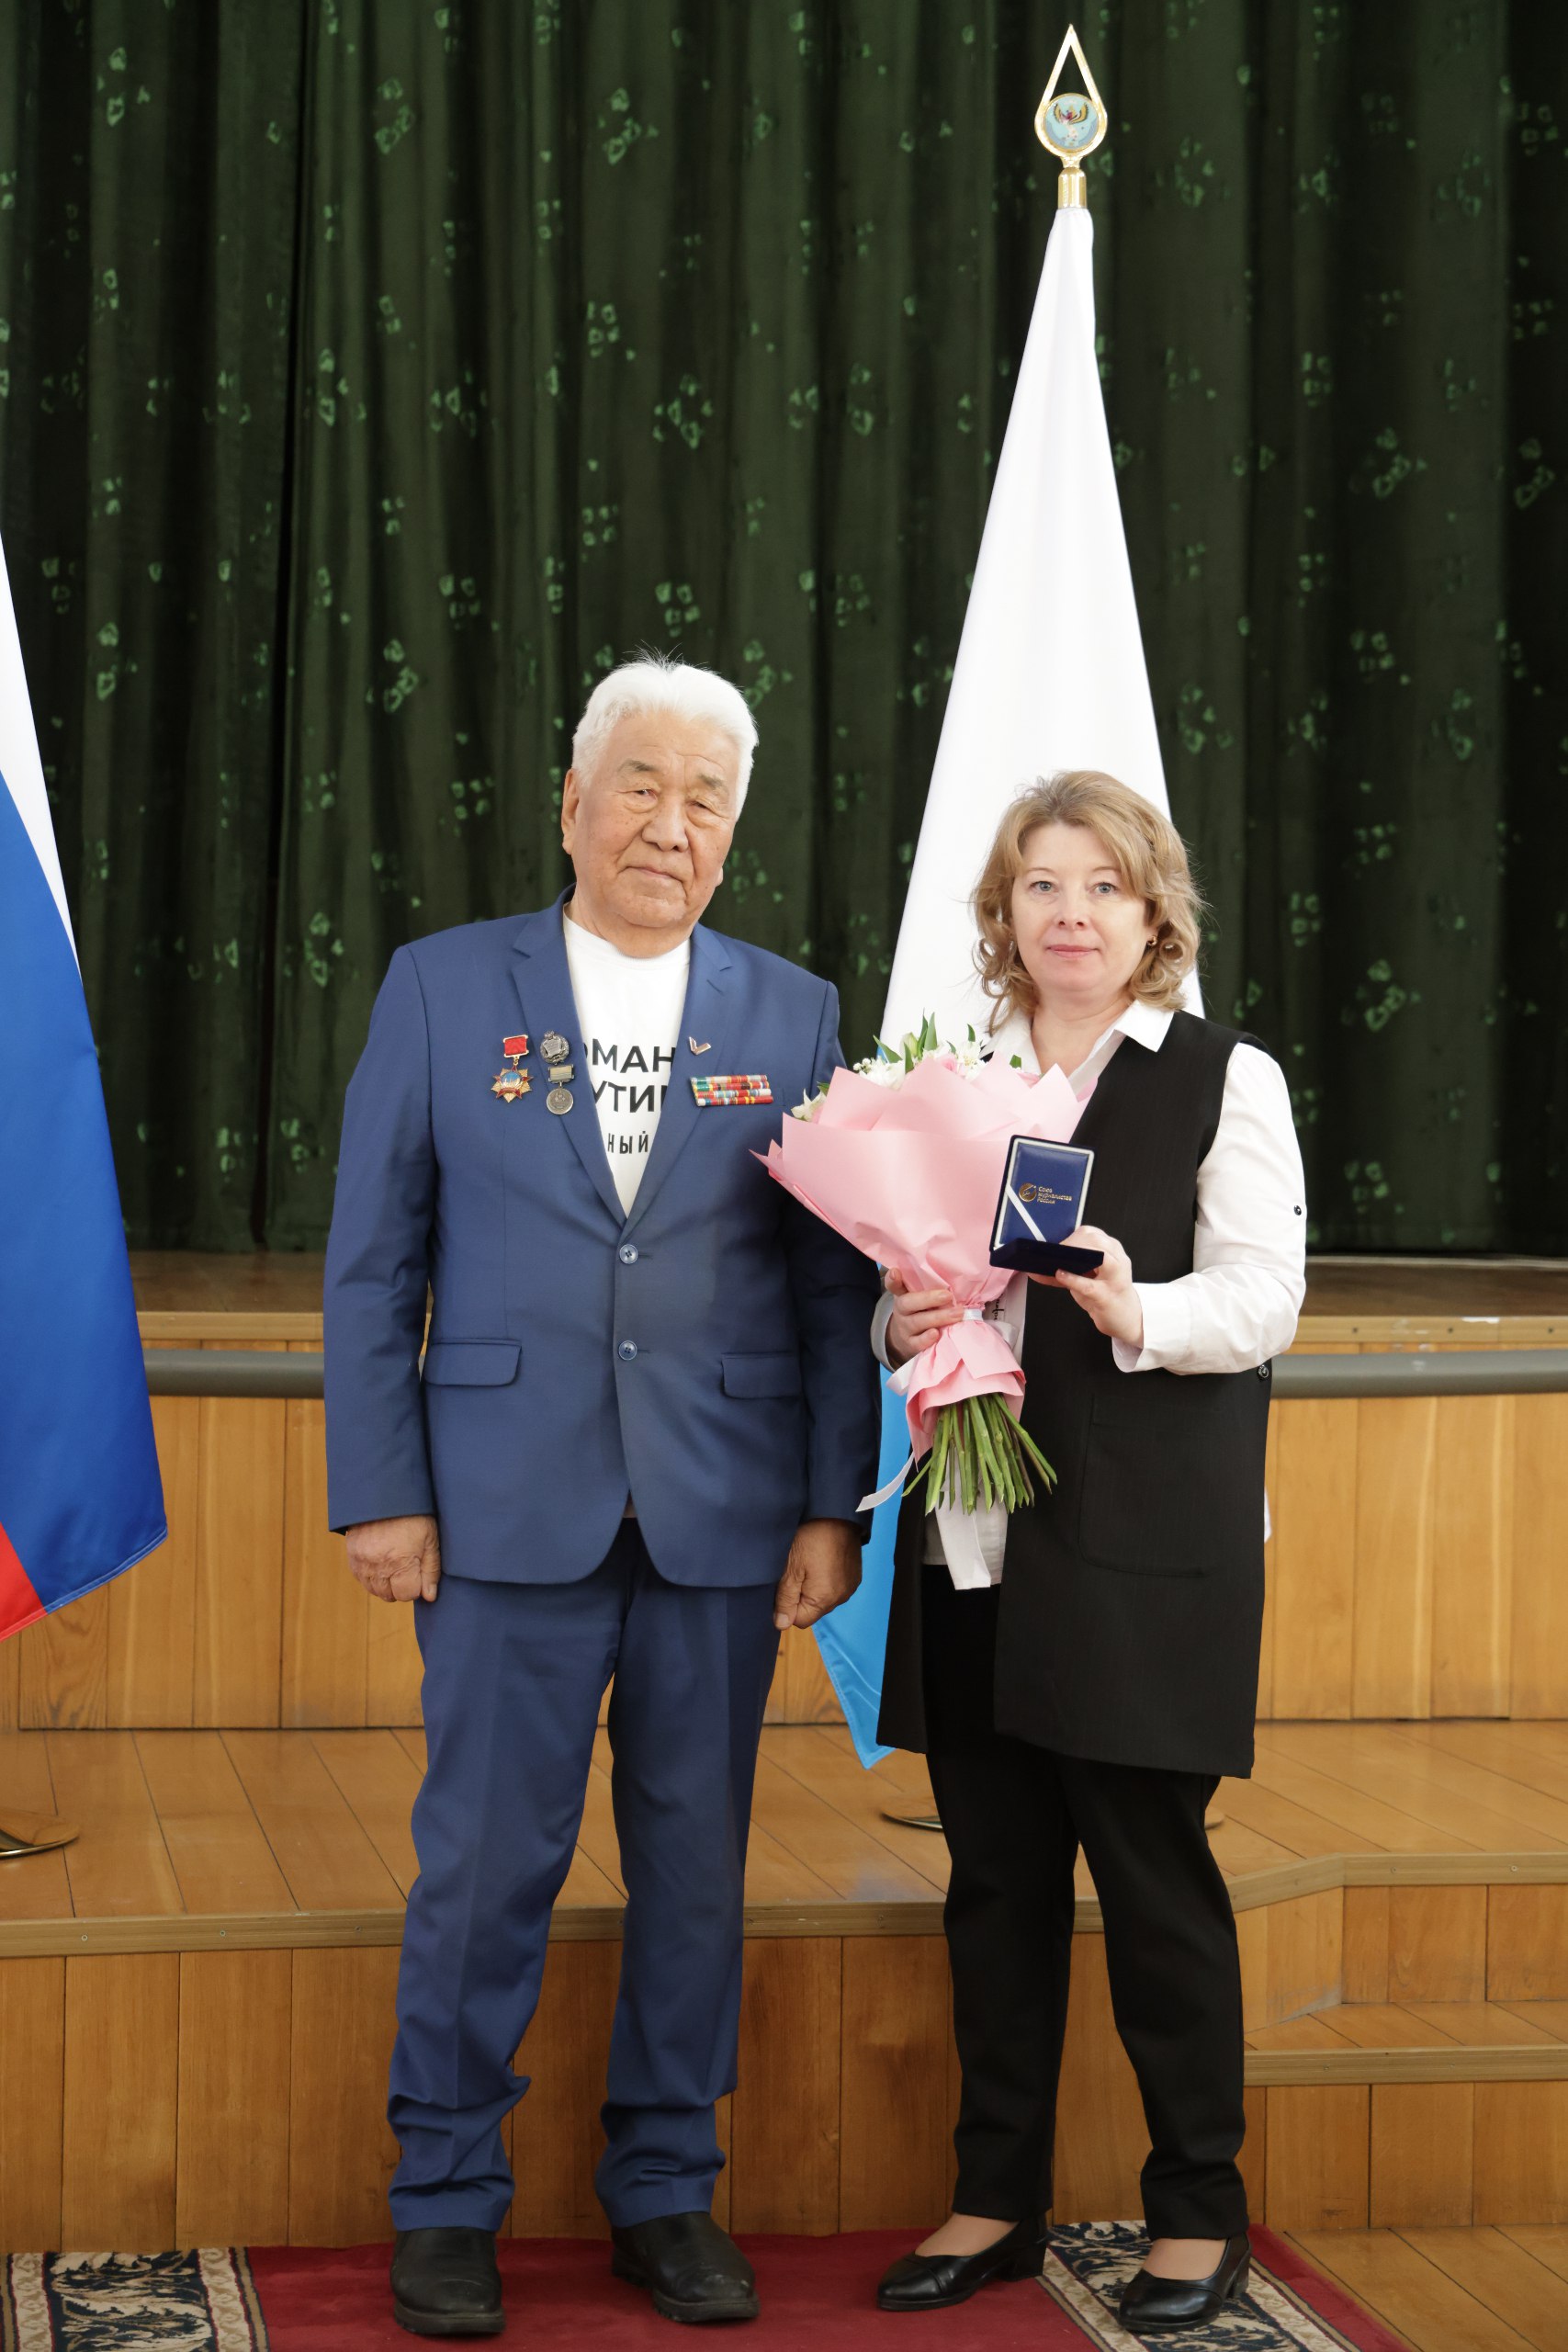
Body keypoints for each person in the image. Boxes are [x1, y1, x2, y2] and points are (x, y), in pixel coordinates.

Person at [323, 655, 881, 2338]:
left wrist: (831, 1504)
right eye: (642, 783)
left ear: (733, 837)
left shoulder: (793, 1013)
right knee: (485, 1866)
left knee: (693, 1870)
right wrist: (382, 1490)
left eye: (706, 799)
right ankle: (445, 2200)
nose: (669, 823)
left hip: (722, 1510)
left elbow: (827, 1284)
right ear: (572, 804)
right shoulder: (442, 987)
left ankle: (665, 2190)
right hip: (501, 1506)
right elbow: (374, 1264)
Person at [871, 771, 1305, 2334]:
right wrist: (902, 1320)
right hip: (975, 1540)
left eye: (1104, 886)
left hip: (1138, 1552)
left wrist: (1138, 1307)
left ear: (1152, 912)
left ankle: (1197, 2210)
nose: (1072, 913)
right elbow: (906, 1290)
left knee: (1153, 1885)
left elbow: (1265, 1298)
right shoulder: (954, 1078)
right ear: (1005, 912)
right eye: (1043, 885)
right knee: (993, 1887)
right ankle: (997, 2199)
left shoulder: (1222, 1077)